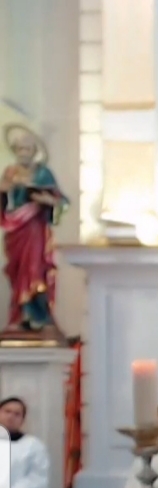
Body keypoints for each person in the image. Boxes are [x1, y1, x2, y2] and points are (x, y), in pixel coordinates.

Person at [0, 124, 68, 341]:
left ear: (34, 151)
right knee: (18, 271)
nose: (23, 153)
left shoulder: (43, 173)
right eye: (20, 149)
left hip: (36, 229)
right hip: (16, 231)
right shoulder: (10, 173)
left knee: (35, 270)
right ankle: (20, 316)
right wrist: (3, 191)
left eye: (27, 149)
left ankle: (39, 317)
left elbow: (62, 202)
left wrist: (45, 199)